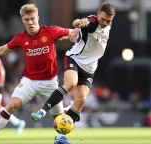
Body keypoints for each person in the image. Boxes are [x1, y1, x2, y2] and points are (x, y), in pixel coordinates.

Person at [0, 3, 76, 144]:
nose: (30, 22)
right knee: (11, 105)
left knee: (58, 117)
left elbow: (74, 32)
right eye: (26, 20)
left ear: (38, 17)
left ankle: (61, 139)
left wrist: (83, 27)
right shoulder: (20, 38)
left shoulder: (51, 31)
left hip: (50, 83)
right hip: (29, 81)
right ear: (22, 21)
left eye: (32, 19)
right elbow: (2, 49)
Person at [31, 1, 115, 137]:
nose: (104, 23)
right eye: (103, 19)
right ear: (98, 14)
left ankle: (60, 137)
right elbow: (78, 22)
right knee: (70, 84)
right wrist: (78, 23)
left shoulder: (107, 24)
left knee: (81, 100)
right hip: (74, 59)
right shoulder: (91, 22)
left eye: (108, 20)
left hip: (89, 68)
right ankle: (43, 110)